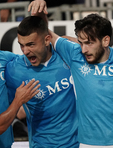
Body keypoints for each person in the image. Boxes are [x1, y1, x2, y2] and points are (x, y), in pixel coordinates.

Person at [28, 0, 113, 147]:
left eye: (89, 43)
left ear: (106, 40)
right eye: (81, 42)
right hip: (88, 143)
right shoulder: (75, 55)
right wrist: (40, 14)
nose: (83, 49)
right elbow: (49, 35)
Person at [5, 15, 79, 147]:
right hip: (41, 145)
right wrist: (17, 102)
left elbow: (91, 47)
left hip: (76, 144)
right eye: (21, 45)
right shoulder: (14, 70)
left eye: (31, 44)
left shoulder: (66, 56)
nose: (25, 51)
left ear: (47, 40)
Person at [0, 46, 40, 148]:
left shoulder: (2, 57)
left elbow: (34, 58)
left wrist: (57, 44)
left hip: (5, 144)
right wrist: (18, 100)